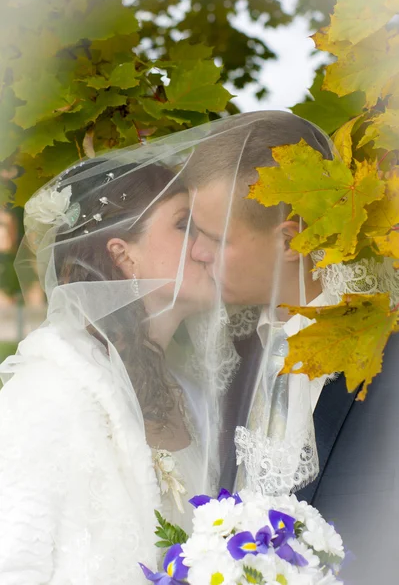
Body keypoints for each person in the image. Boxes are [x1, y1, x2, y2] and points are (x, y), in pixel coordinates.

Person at [0, 148, 239, 584]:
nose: (208, 247)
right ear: (123, 255)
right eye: (185, 226)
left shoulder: (193, 393)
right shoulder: (45, 394)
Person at [185, 110, 399, 583]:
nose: (196, 253)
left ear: (291, 239)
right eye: (192, 230)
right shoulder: (227, 353)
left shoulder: (388, 358)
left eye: (214, 238)